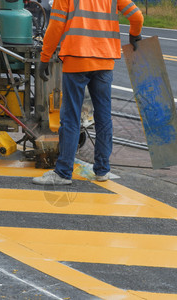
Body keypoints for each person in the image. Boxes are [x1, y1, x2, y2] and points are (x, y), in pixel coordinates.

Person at [33, 0, 144, 185]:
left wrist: (45, 57)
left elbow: (56, 26)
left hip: (76, 60)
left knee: (71, 118)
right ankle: (102, 170)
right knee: (103, 117)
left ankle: (63, 173)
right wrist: (134, 35)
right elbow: (137, 16)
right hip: (105, 60)